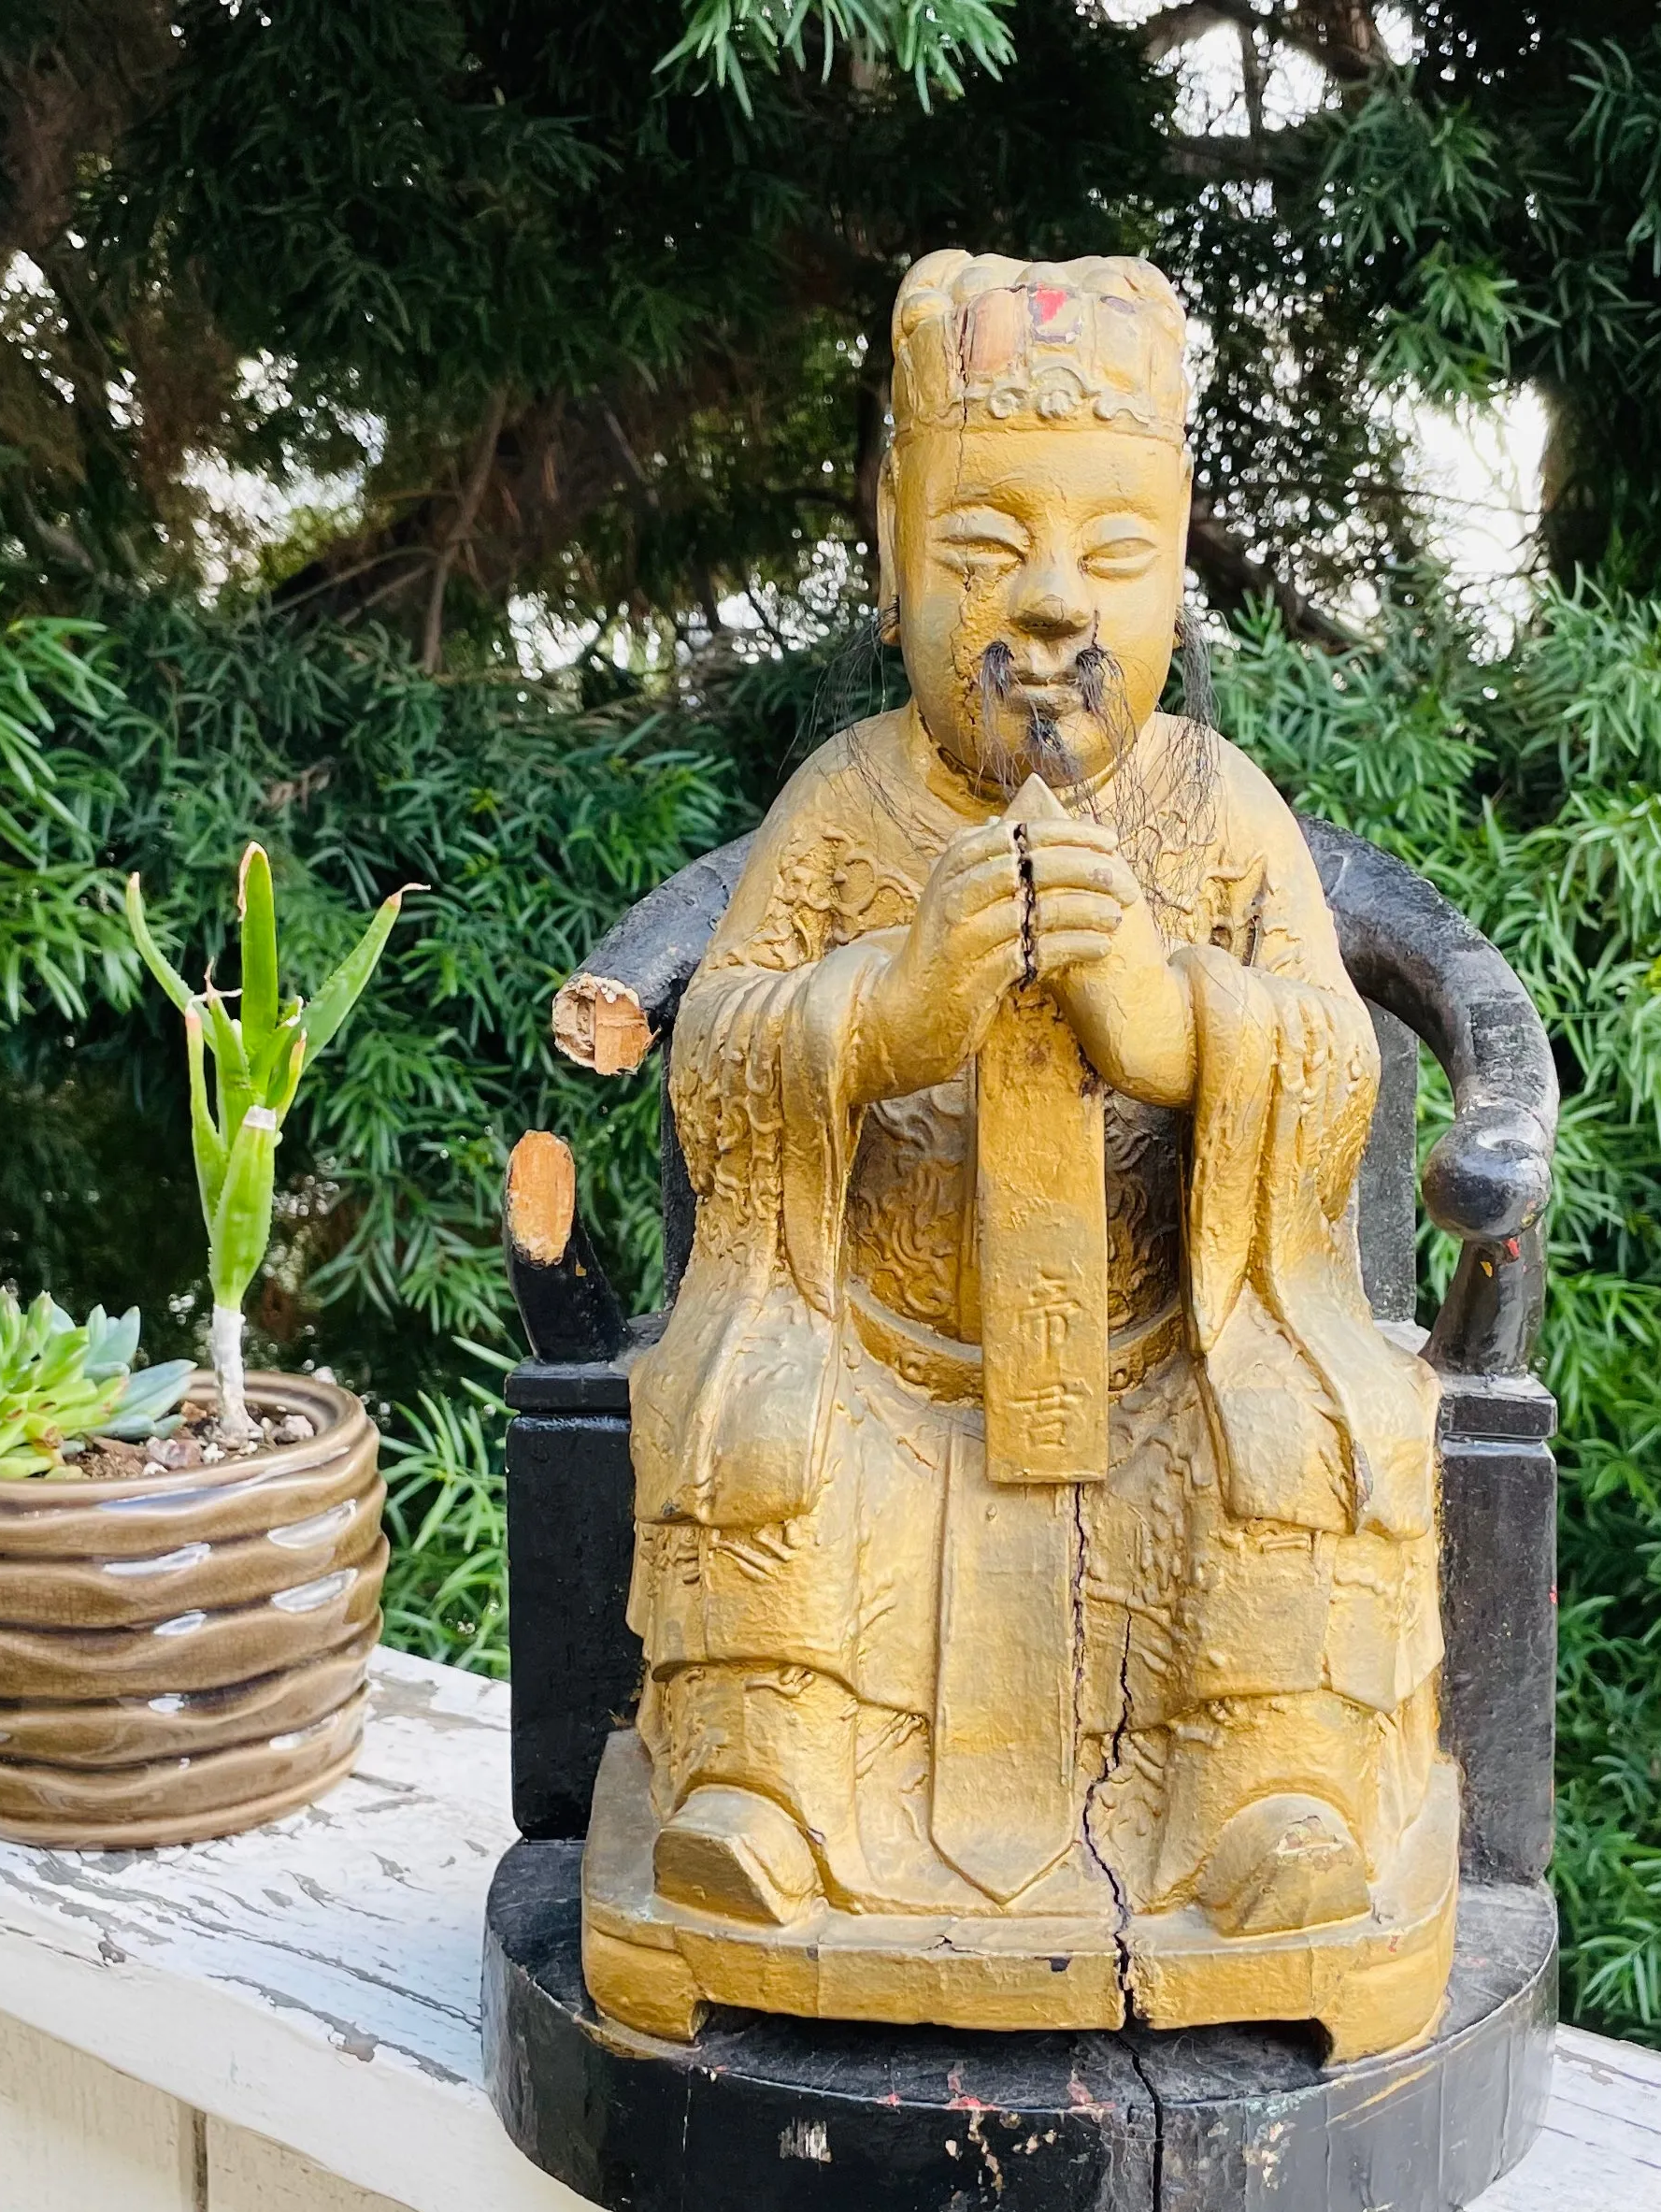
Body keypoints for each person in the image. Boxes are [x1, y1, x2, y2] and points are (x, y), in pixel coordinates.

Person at [582, 251, 1453, 2052]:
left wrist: (1165, 1018)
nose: (1048, 605)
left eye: (1113, 558)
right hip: (895, 1351)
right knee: (777, 1431)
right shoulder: (845, 803)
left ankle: (1261, 1801)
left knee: (1269, 1439)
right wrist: (886, 1016)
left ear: (1178, 563)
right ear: (897, 544)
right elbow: (721, 1048)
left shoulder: (1215, 813)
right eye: (982, 547)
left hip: (1157, 1344)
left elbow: (1330, 1060)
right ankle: (769, 1804)